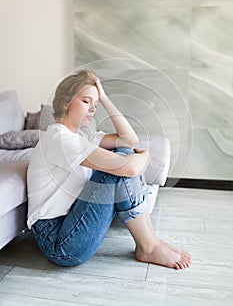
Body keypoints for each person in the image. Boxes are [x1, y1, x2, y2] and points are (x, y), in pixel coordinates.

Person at [27, 69, 191, 270]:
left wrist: (103, 97)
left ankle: (151, 241)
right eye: (87, 101)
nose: (93, 109)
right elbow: (129, 168)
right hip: (58, 241)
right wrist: (145, 156)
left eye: (95, 105)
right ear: (66, 103)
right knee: (119, 165)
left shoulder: (82, 137)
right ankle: (148, 246)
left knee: (124, 150)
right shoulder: (59, 139)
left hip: (73, 223)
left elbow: (130, 140)